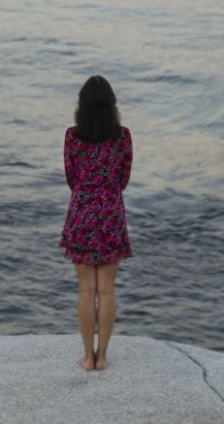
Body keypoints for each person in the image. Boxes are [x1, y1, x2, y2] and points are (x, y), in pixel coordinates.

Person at [59, 75, 132, 371]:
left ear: (82, 106)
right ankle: (103, 357)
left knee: (86, 290)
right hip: (111, 213)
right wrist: (107, 193)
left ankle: (87, 358)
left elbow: (71, 177)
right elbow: (124, 178)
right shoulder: (123, 136)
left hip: (82, 213)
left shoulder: (72, 137)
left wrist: (87, 194)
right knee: (107, 290)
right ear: (112, 105)